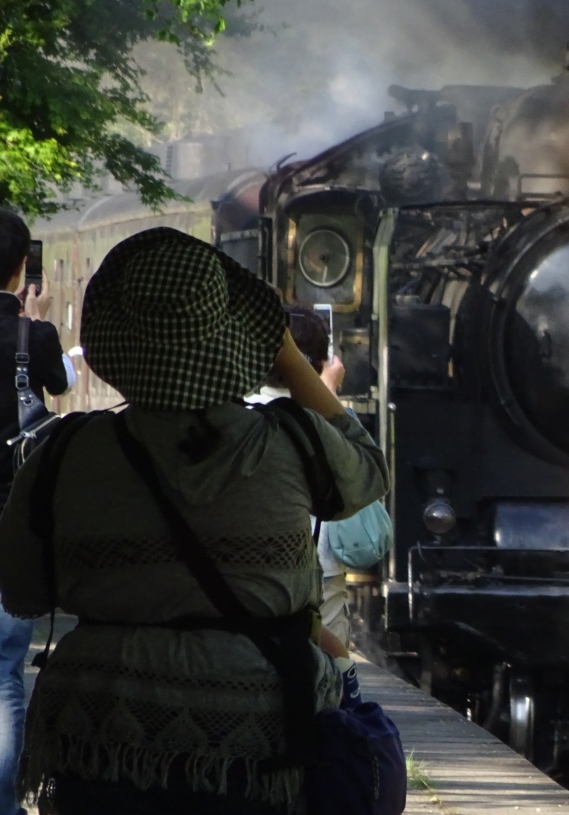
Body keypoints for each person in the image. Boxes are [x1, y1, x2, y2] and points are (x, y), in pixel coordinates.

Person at [0, 227, 388, 814]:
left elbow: (24, 592)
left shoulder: (65, 452)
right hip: (259, 736)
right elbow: (368, 470)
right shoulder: (293, 440)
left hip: (101, 731)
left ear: (116, 340)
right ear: (235, 337)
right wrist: (288, 356)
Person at [0, 211, 67, 815]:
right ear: (23, 266)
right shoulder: (32, 338)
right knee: (4, 675)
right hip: (9, 526)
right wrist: (35, 324)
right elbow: (63, 385)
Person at [245, 305, 358, 647]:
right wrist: (328, 395)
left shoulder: (239, 415)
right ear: (323, 362)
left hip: (251, 576)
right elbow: (366, 480)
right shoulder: (332, 420)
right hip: (321, 574)